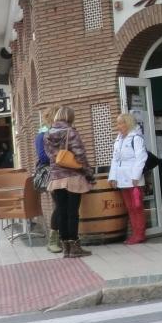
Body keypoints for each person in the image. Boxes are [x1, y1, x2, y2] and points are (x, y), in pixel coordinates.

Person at [44, 106, 95, 258]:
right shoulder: (71, 132)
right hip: (73, 177)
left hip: (56, 177)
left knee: (61, 211)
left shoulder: (47, 134)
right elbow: (80, 155)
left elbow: (50, 156)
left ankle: (65, 246)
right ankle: (74, 246)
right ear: (70, 117)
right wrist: (89, 173)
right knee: (73, 212)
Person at [110, 113, 149, 245]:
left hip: (133, 179)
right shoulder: (118, 140)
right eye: (117, 123)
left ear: (127, 123)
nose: (118, 126)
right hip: (122, 179)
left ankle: (140, 234)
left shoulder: (136, 138)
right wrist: (113, 177)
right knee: (130, 208)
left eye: (120, 123)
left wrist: (135, 176)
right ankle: (135, 233)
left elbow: (141, 157)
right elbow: (115, 160)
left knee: (137, 207)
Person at [35, 110, 63, 254]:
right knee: (60, 205)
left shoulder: (60, 133)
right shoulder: (42, 135)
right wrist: (61, 155)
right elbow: (42, 157)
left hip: (64, 172)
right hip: (52, 173)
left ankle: (63, 238)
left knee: (64, 205)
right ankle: (53, 241)